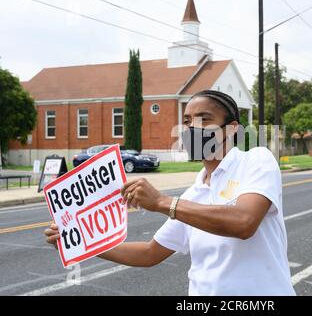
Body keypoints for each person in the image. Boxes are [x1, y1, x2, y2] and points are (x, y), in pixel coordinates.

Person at [45, 90, 296, 296]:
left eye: (204, 120)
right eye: (187, 121)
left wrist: (163, 202)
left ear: (230, 129)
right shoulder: (192, 195)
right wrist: (82, 243)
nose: (191, 129)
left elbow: (244, 222)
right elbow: (149, 253)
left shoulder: (255, 160)